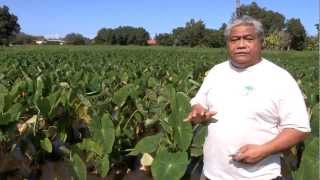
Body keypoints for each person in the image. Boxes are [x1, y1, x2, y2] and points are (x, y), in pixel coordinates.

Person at [186, 15, 310, 180]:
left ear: (261, 42)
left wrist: (263, 151)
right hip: (211, 174)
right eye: (235, 39)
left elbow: (299, 128)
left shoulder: (279, 78)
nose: (241, 45)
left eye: (248, 39)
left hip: (260, 176)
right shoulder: (217, 72)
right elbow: (198, 101)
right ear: (228, 44)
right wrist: (198, 109)